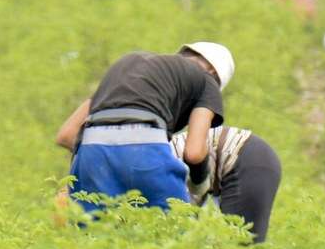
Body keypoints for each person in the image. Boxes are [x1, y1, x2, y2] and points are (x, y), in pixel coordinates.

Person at [54, 42, 234, 213]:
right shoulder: (207, 80)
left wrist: (102, 164)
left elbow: (66, 135)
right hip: (145, 149)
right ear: (213, 72)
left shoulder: (126, 67)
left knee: (95, 235)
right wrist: (200, 186)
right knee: (173, 227)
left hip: (91, 154)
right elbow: (194, 152)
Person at [169, 125, 281, 247]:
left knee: (241, 248)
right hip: (250, 156)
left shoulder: (161, 171)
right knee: (233, 248)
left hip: (245, 157)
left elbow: (179, 226)